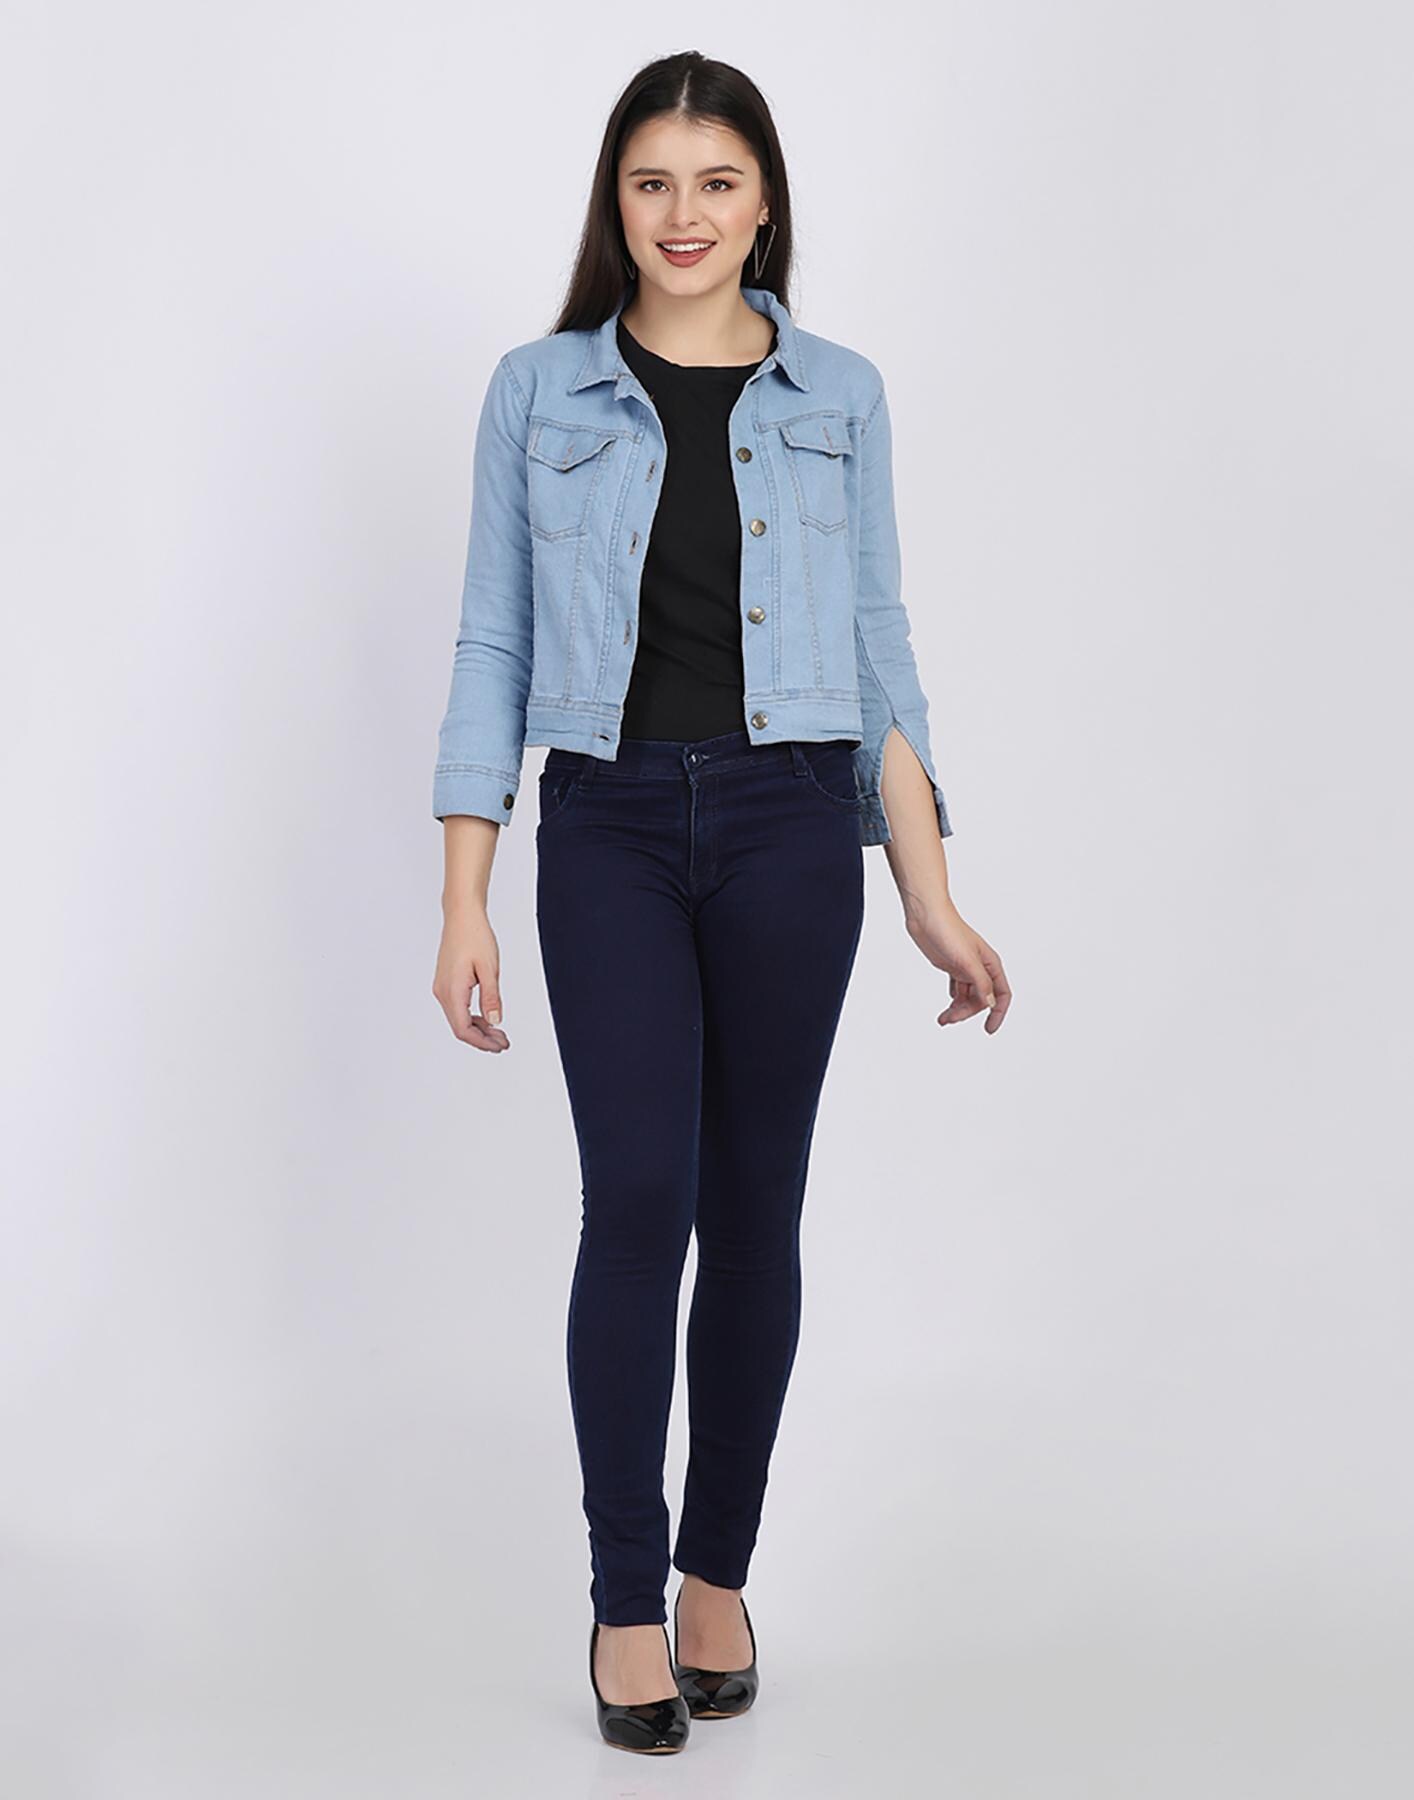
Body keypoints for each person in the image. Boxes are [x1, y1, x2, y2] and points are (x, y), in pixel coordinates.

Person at [430, 50, 1011, 1756]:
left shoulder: (841, 394)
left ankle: (714, 1582)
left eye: (715, 181)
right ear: (614, 204)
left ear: (764, 203)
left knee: (756, 1211)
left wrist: (928, 890)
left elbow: (879, 651)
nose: (681, 215)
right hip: (605, 825)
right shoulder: (538, 391)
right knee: (640, 1200)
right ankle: (623, 1598)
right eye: (650, 182)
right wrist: (465, 895)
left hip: (784, 823)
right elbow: (491, 640)